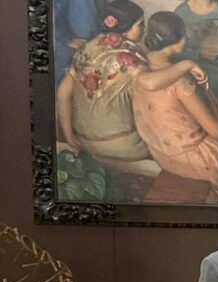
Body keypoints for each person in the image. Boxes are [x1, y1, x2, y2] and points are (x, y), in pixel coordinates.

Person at [133, 12, 218, 202]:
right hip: (197, 159)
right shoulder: (180, 82)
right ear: (179, 39)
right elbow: (215, 130)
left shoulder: (140, 66)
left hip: (163, 155)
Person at [56, 0, 206, 177]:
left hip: (85, 141)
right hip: (124, 145)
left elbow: (63, 93)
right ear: (126, 28)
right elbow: (150, 83)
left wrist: (70, 137)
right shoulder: (128, 55)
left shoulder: (88, 47)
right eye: (140, 25)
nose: (144, 30)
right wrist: (186, 65)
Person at [173, 0, 218, 106]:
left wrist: (216, 54)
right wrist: (198, 54)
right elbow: (174, 51)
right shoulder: (181, 12)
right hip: (189, 66)